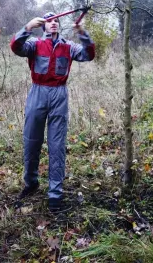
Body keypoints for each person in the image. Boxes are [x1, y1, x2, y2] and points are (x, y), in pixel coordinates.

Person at [10, 12, 95, 212]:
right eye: (49, 21)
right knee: (32, 140)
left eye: (56, 21)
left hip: (59, 96)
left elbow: (89, 54)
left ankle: (55, 193)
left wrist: (82, 32)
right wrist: (27, 26)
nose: (53, 23)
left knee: (57, 144)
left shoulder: (68, 46)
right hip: (37, 92)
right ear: (43, 26)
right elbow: (16, 47)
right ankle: (31, 182)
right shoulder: (34, 44)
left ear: (59, 25)